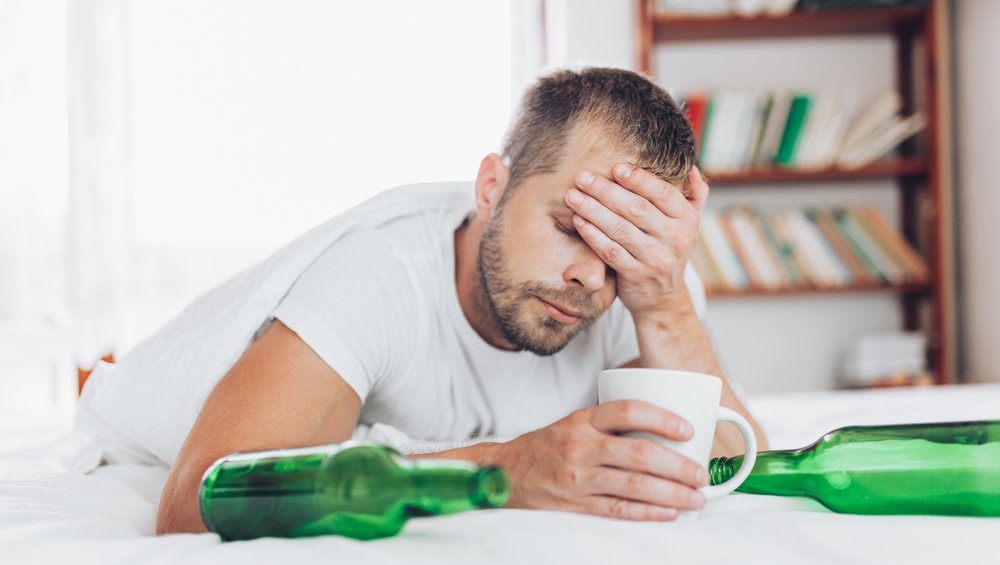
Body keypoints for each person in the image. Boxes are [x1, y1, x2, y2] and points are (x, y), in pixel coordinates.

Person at [156, 67, 768, 535]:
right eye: (569, 228)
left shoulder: (644, 284)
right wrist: (508, 467)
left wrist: (665, 308)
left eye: (620, 250)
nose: (592, 276)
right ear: (491, 188)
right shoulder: (378, 275)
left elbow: (736, 468)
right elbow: (198, 500)